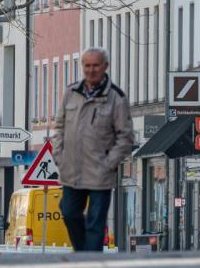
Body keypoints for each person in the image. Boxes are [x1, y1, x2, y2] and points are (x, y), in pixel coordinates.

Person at [50, 48, 134, 253]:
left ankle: (90, 262)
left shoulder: (116, 97)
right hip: (72, 170)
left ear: (105, 66)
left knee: (96, 225)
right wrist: (59, 155)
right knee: (69, 212)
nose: (91, 70)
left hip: (100, 174)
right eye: (87, 65)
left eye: (95, 65)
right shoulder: (71, 93)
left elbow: (126, 138)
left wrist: (109, 163)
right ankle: (83, 254)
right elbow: (59, 127)